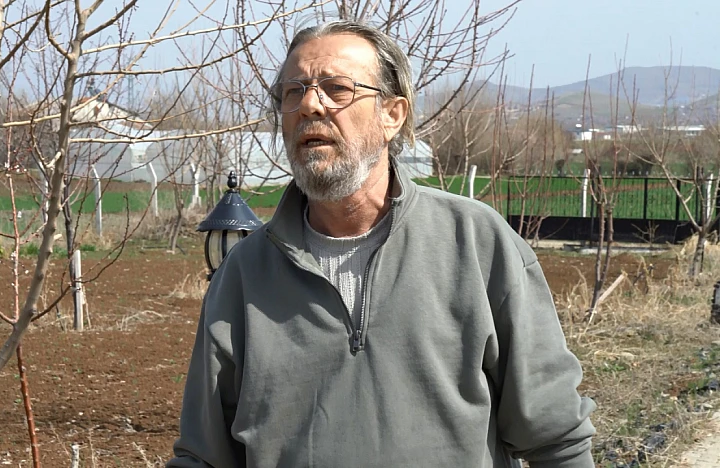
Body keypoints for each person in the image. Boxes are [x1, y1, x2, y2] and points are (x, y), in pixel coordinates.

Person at [167, 20, 596, 468]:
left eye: (337, 88)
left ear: (393, 115)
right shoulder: (245, 273)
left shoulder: (475, 243)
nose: (310, 104)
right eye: (293, 92)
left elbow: (556, 439)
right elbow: (205, 456)